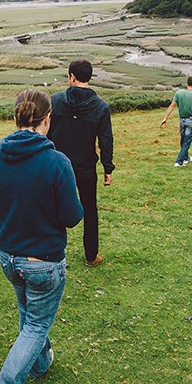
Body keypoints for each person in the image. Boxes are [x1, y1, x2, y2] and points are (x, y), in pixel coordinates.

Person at [0, 90, 84, 384]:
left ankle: (38, 365)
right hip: (43, 261)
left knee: (29, 313)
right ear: (47, 120)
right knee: (37, 324)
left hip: (8, 256)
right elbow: (72, 216)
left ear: (16, 117)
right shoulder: (57, 162)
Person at [47, 60, 114, 267]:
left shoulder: (56, 101)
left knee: (52, 209)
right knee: (90, 209)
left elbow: (45, 130)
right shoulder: (101, 107)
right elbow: (106, 140)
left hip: (56, 165)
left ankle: (53, 255)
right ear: (89, 77)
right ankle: (91, 255)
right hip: (85, 167)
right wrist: (107, 168)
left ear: (72, 77)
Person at [159, 75, 192, 167]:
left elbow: (171, 106)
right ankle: (179, 161)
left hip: (182, 120)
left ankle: (186, 158)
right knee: (186, 141)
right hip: (191, 120)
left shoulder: (179, 93)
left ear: (187, 83)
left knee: (183, 140)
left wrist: (165, 118)